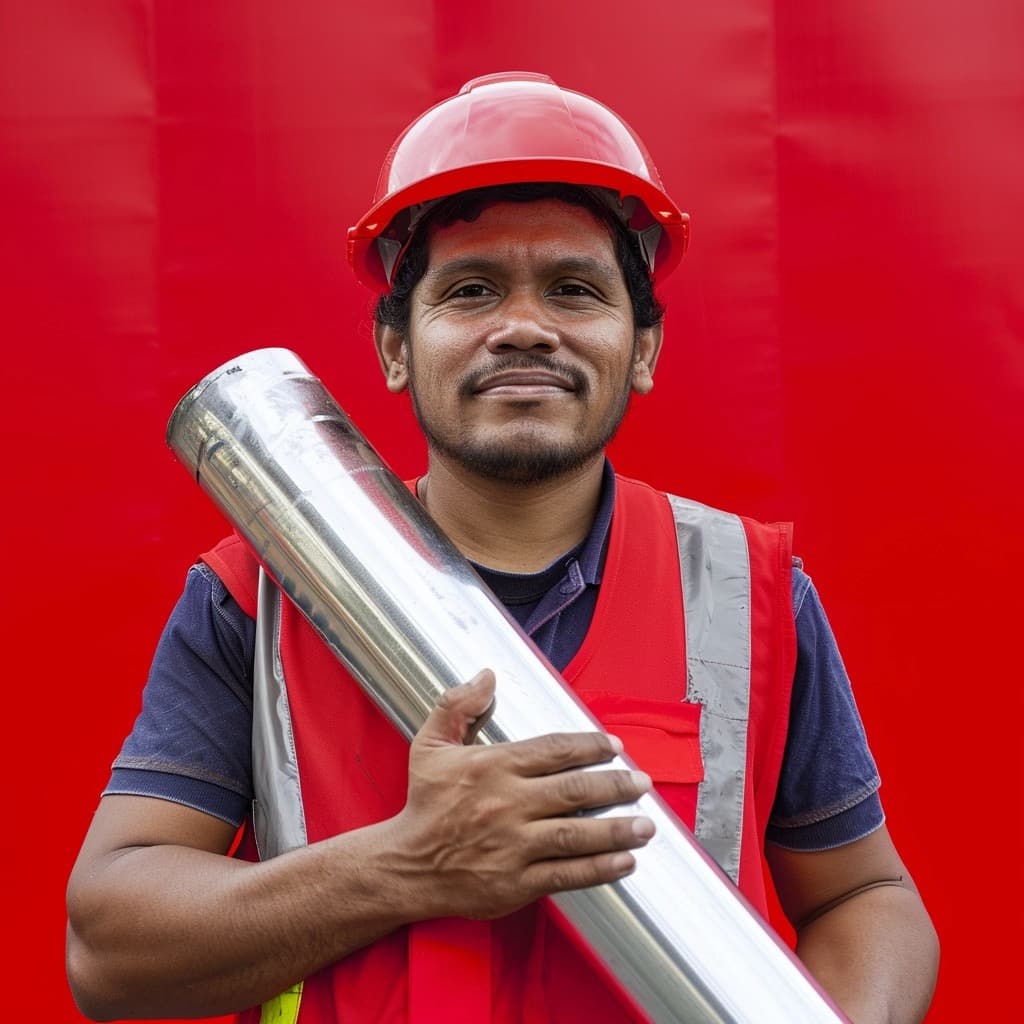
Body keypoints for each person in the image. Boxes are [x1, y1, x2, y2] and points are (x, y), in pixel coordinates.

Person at [66, 72, 938, 1023]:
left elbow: (865, 898)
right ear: (397, 348)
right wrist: (406, 865)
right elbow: (110, 956)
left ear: (641, 349)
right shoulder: (260, 593)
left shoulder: (748, 594)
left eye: (574, 289)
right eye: (472, 290)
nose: (524, 328)